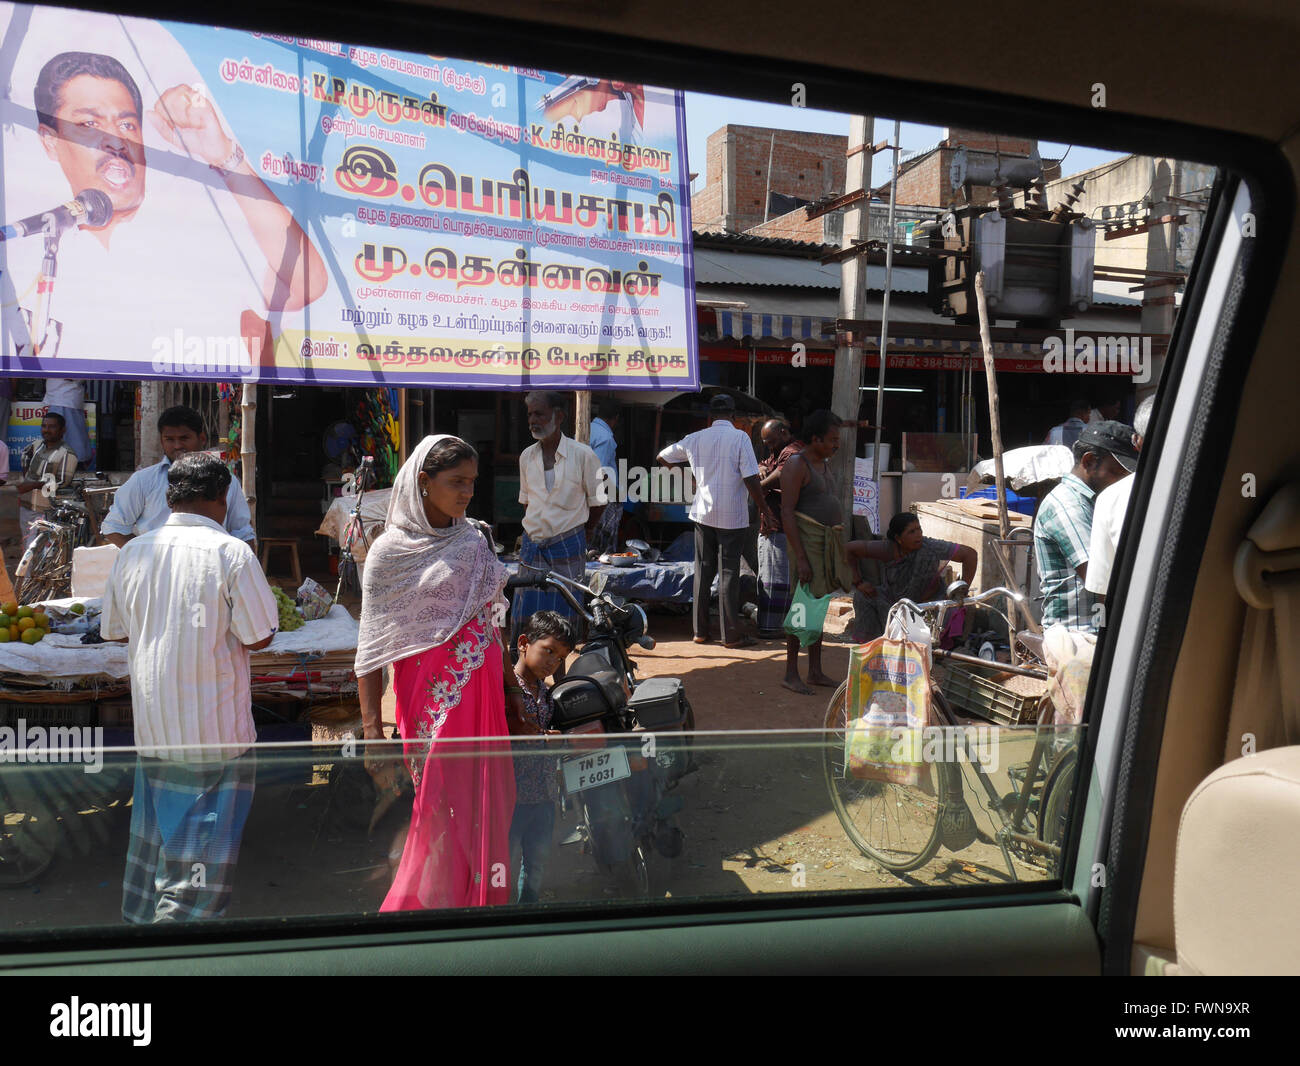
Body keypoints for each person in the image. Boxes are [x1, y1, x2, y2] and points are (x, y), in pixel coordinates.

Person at [3, 48, 326, 364]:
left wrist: (225, 157)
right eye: (89, 124)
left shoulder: (197, 234)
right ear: (49, 141)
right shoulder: (31, 255)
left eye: (127, 125)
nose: (116, 141)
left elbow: (305, 284)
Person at [100, 453, 279, 923]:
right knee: (197, 871)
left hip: (156, 730)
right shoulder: (232, 553)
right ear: (223, 499)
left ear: (167, 497)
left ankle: (141, 933)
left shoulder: (133, 552)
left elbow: (116, 630)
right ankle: (180, 955)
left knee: (155, 846)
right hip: (215, 736)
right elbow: (259, 635)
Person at [355, 434, 522, 911]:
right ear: (423, 482)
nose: (467, 492)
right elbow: (370, 648)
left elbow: (494, 623)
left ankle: (480, 903)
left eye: (472, 482)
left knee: (488, 802)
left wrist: (513, 691)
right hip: (431, 703)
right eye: (456, 482)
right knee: (439, 807)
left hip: (484, 695)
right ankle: (431, 908)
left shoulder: (474, 541)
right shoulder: (389, 553)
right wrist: (371, 731)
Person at [658, 394, 776, 648]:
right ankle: (731, 635)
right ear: (733, 416)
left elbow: (662, 457)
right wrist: (764, 509)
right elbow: (751, 478)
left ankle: (700, 631)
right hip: (731, 515)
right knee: (728, 574)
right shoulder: (740, 437)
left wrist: (690, 480)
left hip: (703, 513)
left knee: (703, 571)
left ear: (710, 416)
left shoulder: (696, 438)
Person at [512, 391, 606, 653]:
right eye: (530, 414)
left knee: (563, 619)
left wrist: (582, 533)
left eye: (539, 413)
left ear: (559, 416)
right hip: (533, 547)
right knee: (529, 620)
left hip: (568, 545)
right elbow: (527, 502)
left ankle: (560, 674)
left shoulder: (584, 455)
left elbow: (599, 503)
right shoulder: (526, 457)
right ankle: (526, 678)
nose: (533, 420)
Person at [1032, 420, 1136, 632]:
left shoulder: (1095, 502)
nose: (1122, 483)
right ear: (1088, 462)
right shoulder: (1068, 505)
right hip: (1079, 636)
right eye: (1117, 473)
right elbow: (1099, 576)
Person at [101, 406, 254, 548]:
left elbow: (243, 533)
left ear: (202, 438)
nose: (177, 446)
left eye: (184, 438)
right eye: (170, 439)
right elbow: (113, 527)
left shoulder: (226, 481)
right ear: (161, 441)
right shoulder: (143, 480)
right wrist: (146, 555)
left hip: (209, 568)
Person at [779, 409, 853, 693]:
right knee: (801, 607)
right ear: (816, 438)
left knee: (818, 605)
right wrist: (800, 557)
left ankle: (815, 671)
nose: (837, 445)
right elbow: (787, 512)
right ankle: (790, 673)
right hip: (806, 546)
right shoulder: (797, 464)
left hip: (824, 544)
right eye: (832, 439)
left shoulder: (824, 463)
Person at [509, 610, 575, 904]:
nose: (552, 662)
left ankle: (527, 915)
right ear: (523, 643)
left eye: (559, 658)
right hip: (511, 800)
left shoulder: (546, 695)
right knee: (503, 866)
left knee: (535, 865)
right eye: (548, 651)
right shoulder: (506, 691)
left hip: (544, 798)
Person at [847, 513, 978, 644]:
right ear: (898, 538)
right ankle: (872, 643)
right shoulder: (887, 549)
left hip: (929, 605)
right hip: (894, 602)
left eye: (919, 529)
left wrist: (961, 592)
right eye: (911, 532)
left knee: (952, 617)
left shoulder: (931, 547)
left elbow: (970, 554)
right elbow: (848, 549)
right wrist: (858, 582)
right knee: (862, 597)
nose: (918, 534)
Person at [1086, 396, 1155, 604]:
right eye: (1117, 470)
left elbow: (1103, 589)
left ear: (1137, 441)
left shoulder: (1111, 498)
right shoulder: (1230, 491)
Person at [756, 419, 804, 638]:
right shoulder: (778, 451)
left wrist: (754, 487)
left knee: (777, 579)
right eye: (766, 443)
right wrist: (761, 468)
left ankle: (772, 627)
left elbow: (781, 477)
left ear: (784, 432)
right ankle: (769, 624)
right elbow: (764, 465)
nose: (769, 446)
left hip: (783, 527)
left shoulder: (793, 452)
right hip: (772, 525)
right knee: (769, 577)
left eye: (771, 441)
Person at [14, 412, 77, 545]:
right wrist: (27, 477)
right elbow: (25, 454)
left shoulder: (67, 453)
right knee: (27, 547)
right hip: (26, 508)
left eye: (52, 427)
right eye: (44, 426)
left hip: (46, 510)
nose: (46, 430)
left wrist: (33, 484)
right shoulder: (38, 445)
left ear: (62, 430)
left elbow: (62, 482)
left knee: (38, 549)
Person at [588, 396, 623, 555]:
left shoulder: (587, 428)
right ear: (615, 418)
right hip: (602, 498)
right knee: (601, 547)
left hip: (587, 495)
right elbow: (599, 472)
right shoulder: (605, 437)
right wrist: (616, 494)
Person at [42, 378, 91, 467]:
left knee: (70, 437)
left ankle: (74, 465)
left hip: (67, 398)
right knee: (58, 437)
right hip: (59, 398)